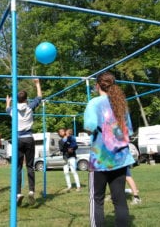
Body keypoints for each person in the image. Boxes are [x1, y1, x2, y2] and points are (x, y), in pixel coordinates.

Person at [84, 72, 135, 227]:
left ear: (97, 85)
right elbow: (129, 132)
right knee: (119, 200)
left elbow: (89, 127)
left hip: (101, 160)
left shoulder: (94, 103)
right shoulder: (121, 104)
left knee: (96, 200)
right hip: (120, 159)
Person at [6, 78, 42, 206]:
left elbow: (7, 109)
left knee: (18, 167)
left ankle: (18, 193)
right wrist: (37, 84)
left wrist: (8, 102)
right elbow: (39, 97)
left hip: (18, 139)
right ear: (26, 99)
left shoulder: (13, 110)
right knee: (30, 166)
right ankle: (31, 191)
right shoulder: (29, 107)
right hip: (28, 138)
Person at [58, 128, 81, 192]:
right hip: (65, 158)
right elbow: (61, 149)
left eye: (62, 131)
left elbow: (76, 146)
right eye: (60, 132)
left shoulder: (71, 138)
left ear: (65, 132)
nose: (62, 132)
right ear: (59, 134)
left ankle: (78, 186)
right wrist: (67, 150)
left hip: (72, 157)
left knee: (74, 171)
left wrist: (72, 149)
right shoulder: (60, 141)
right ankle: (69, 186)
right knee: (66, 172)